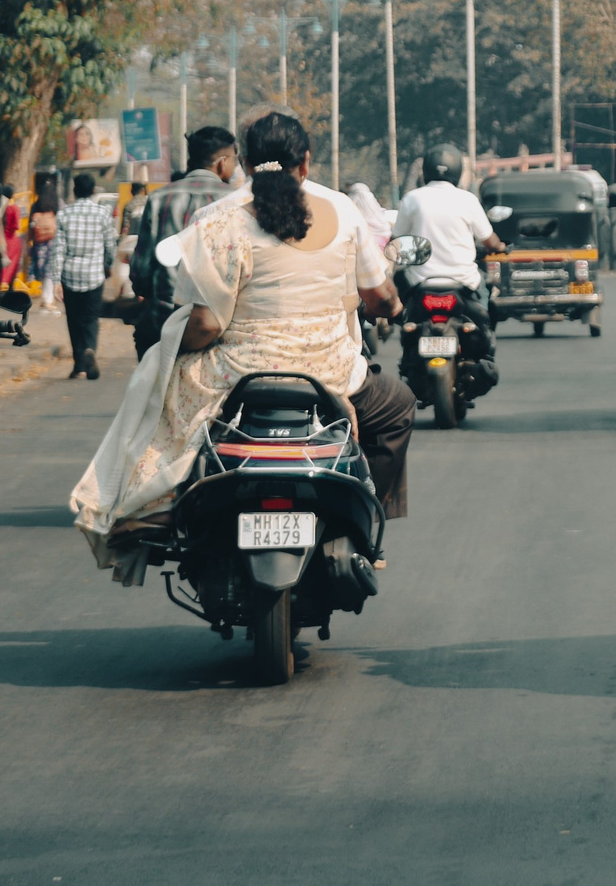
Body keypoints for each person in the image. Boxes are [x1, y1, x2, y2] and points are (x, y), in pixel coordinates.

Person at [69, 112, 416, 557]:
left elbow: (207, 324)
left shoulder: (217, 219)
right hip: (330, 372)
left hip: (240, 375)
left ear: (246, 164)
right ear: (305, 162)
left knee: (165, 404)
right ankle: (366, 527)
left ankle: (162, 503)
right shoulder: (343, 211)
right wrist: (392, 308)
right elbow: (380, 297)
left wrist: (176, 348)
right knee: (398, 405)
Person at [392, 143, 506, 385]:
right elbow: (489, 240)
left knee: (405, 318)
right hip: (463, 283)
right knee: (486, 311)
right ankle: (486, 355)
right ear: (457, 170)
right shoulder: (467, 200)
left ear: (426, 169)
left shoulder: (412, 198)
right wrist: (500, 247)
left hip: (420, 282)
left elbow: (397, 240)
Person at [126, 126, 239, 357]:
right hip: (221, 327)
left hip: (163, 323)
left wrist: (149, 294)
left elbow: (141, 271)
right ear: (222, 163)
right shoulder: (236, 201)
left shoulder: (158, 198)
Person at [55, 172, 117, 380]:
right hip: (94, 275)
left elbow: (58, 250)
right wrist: (108, 265)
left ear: (74, 191)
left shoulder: (64, 214)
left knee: (74, 321)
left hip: (70, 275)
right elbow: (109, 245)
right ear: (93, 191)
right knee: (90, 319)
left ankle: (79, 366)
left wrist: (56, 280)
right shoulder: (102, 213)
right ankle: (90, 348)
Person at [27, 177, 62, 307]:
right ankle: (48, 299)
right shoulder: (58, 205)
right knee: (50, 271)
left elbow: (31, 226)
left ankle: (46, 297)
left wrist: (29, 241)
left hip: (39, 242)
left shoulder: (36, 205)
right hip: (53, 241)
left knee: (41, 270)